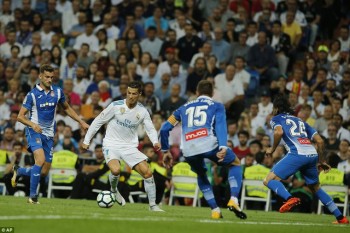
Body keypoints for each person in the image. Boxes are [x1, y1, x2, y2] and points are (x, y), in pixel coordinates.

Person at [160, 80, 246, 220]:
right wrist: (223, 146)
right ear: (212, 93)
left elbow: (164, 129)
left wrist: (165, 151)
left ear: (197, 93)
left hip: (188, 150)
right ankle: (234, 200)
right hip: (209, 145)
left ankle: (215, 210)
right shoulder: (217, 105)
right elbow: (220, 125)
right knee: (235, 163)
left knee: (201, 174)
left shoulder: (182, 108)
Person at [263, 95, 349, 224]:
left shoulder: (276, 119)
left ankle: (290, 198)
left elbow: (278, 133)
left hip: (297, 153)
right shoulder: (301, 121)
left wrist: (272, 149)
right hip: (311, 154)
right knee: (316, 187)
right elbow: (320, 141)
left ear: (275, 108)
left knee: (268, 180)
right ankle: (340, 217)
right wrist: (321, 161)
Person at [12, 64, 89, 204]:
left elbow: (67, 108)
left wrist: (81, 122)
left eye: (52, 77)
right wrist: (33, 125)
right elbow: (20, 116)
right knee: (39, 161)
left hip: (49, 134)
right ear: (40, 76)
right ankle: (33, 197)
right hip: (33, 131)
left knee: (44, 171)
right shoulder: (32, 95)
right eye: (47, 77)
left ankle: (20, 171)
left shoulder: (58, 92)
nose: (49, 80)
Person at [82, 81, 164, 212]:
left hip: (129, 147)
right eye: (129, 93)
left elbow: (150, 128)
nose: (131, 96)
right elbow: (98, 121)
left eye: (134, 94)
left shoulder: (142, 111)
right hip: (111, 144)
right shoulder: (115, 106)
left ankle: (153, 205)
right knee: (115, 170)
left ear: (139, 94)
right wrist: (87, 140)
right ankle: (114, 190)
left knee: (147, 173)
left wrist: (155, 141)